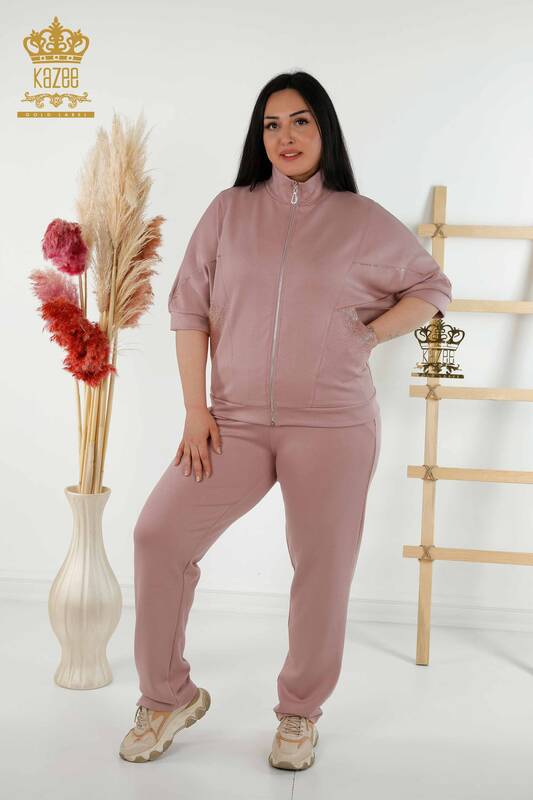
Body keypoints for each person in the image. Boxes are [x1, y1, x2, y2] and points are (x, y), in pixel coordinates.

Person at [119, 70, 452, 769]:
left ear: (323, 128)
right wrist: (195, 410)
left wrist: (367, 335)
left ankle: (299, 713)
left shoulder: (360, 218)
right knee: (158, 536)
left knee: (321, 568)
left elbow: (431, 286)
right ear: (259, 136)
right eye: (272, 125)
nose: (285, 136)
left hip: (332, 424)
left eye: (300, 121)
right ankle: (166, 696)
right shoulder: (228, 211)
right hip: (233, 422)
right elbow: (188, 309)